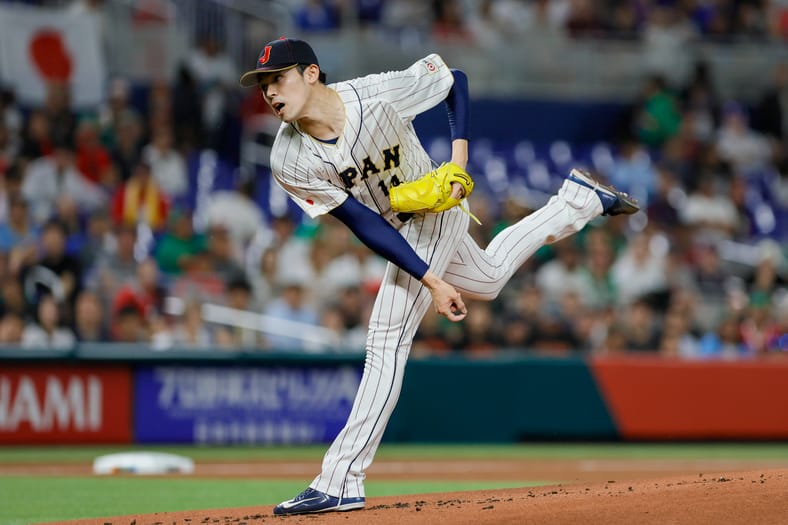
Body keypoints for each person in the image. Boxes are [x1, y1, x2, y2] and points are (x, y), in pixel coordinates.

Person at [238, 37, 638, 515]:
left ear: (310, 73)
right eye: (263, 86)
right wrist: (431, 278)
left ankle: (341, 478)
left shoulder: (376, 94)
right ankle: (578, 201)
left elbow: (455, 81)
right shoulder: (289, 158)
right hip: (396, 227)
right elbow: (362, 222)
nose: (270, 93)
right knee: (487, 278)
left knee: (385, 338)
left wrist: (458, 162)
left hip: (435, 210)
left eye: (278, 79)